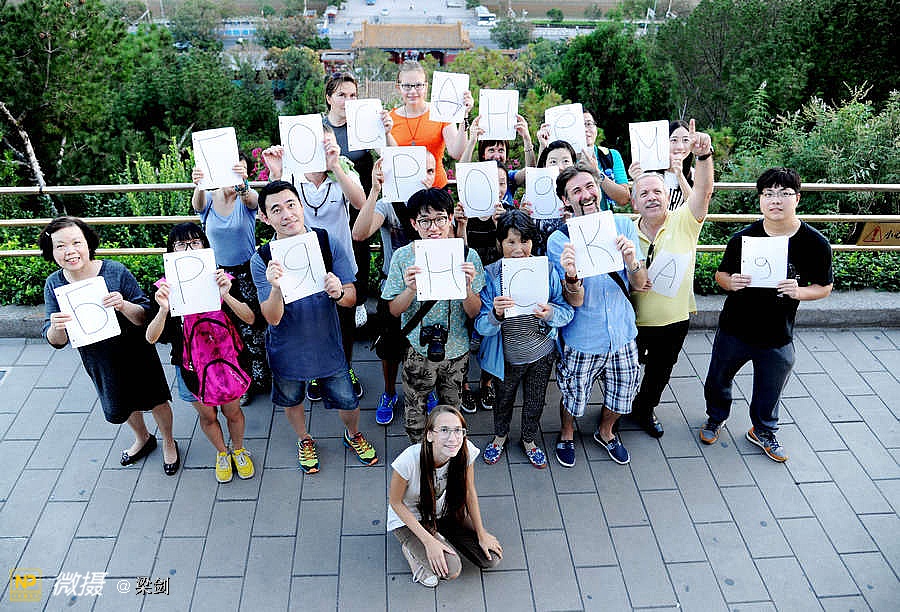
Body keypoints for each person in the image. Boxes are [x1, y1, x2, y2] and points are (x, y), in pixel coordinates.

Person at [701, 168, 833, 462]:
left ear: (797, 199)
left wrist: (800, 292)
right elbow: (721, 275)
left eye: (784, 194)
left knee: (770, 388)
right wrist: (730, 282)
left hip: (778, 332)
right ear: (760, 199)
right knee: (718, 379)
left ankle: (762, 430)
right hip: (735, 327)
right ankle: (716, 417)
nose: (776, 200)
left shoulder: (815, 243)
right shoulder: (743, 238)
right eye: (769, 194)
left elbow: (824, 287)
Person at [251, 180, 378, 474]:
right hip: (286, 347)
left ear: (301, 205)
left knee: (348, 399)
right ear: (265, 218)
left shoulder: (325, 242)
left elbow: (352, 297)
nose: (287, 214)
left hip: (328, 342)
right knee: (291, 398)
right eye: (276, 210)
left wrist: (339, 292)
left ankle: (353, 434)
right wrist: (275, 288)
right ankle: (304, 439)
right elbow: (271, 317)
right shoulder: (262, 259)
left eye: (291, 205)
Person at [41, 217, 179, 474]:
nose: (70, 251)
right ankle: (143, 438)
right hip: (99, 358)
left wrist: (123, 305)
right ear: (51, 250)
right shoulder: (54, 284)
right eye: (60, 246)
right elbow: (56, 341)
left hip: (136, 351)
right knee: (122, 403)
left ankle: (169, 441)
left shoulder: (115, 271)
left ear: (88, 243)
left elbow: (144, 316)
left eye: (76, 243)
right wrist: (56, 327)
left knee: (156, 399)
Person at [548, 163, 647, 467]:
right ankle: (566, 433)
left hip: (622, 333)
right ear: (566, 200)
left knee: (623, 391)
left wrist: (631, 260)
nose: (586, 194)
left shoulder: (623, 226)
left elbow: (639, 284)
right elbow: (574, 301)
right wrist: (571, 276)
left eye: (590, 186)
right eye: (576, 191)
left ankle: (606, 432)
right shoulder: (559, 240)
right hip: (583, 337)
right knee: (573, 393)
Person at [146, 223, 257, 483]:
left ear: (205, 246)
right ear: (171, 251)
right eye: (180, 245)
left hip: (228, 364)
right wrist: (163, 309)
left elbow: (250, 318)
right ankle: (222, 453)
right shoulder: (164, 289)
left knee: (233, 412)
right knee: (207, 416)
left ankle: (238, 450)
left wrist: (226, 296)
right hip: (190, 368)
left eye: (195, 242)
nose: (189, 249)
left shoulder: (222, 279)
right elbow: (151, 337)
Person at [262, 130, 367, 401]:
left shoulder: (343, 170)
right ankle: (316, 374)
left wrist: (335, 166)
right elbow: (275, 205)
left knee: (343, 320)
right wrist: (277, 171)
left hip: (337, 255)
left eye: (324, 142)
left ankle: (345, 367)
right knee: (311, 319)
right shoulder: (293, 175)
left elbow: (360, 203)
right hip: (301, 263)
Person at [630, 120, 714, 438]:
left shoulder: (685, 222)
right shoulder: (625, 231)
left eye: (657, 192)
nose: (651, 198)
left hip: (673, 320)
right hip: (633, 320)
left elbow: (703, 192)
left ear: (668, 196)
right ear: (634, 202)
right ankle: (617, 407)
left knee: (660, 371)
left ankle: (645, 409)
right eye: (644, 193)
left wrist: (703, 156)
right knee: (623, 370)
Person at [381, 188, 486, 442]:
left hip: (457, 349)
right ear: (414, 223)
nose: (434, 227)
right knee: (415, 407)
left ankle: (448, 449)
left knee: (452, 410)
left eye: (440, 218)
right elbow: (393, 310)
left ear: (450, 218)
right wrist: (410, 289)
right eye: (425, 221)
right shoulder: (403, 257)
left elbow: (474, 312)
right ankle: (419, 449)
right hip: (418, 349)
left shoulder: (467, 256)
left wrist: (467, 288)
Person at [476, 210, 574, 468]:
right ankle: (500, 437)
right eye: (510, 242)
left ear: (533, 241)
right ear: (500, 243)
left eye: (525, 241)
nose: (518, 249)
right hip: (506, 357)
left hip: (542, 353)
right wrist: (496, 314)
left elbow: (566, 311)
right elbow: (481, 326)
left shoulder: (546, 270)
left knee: (535, 400)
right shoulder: (490, 275)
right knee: (503, 400)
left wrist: (550, 313)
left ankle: (529, 439)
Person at [352, 153, 437, 426]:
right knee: (389, 348)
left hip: (432, 289)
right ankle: (389, 392)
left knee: (432, 342)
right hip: (393, 286)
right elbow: (359, 234)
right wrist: (375, 191)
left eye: (430, 171)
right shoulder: (388, 204)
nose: (424, 177)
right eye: (419, 170)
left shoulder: (437, 205)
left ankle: (429, 388)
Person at [387, 406, 502, 588]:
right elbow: (395, 503)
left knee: (491, 559)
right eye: (444, 430)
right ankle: (412, 550)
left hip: (444, 512)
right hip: (411, 519)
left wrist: (481, 533)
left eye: (458, 430)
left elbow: (469, 490)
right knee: (451, 569)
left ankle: (439, 533)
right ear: (429, 435)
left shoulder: (465, 451)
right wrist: (429, 542)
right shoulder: (408, 461)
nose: (453, 438)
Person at [191, 153, 268, 406]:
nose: (235, 176)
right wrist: (200, 183)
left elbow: (254, 200)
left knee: (253, 326)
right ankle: (239, 379)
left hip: (247, 271)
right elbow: (197, 205)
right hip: (218, 274)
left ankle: (261, 376)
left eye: (241, 171)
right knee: (227, 330)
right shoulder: (209, 198)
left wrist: (243, 184)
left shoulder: (246, 199)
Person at [323, 71, 397, 331]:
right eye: (341, 95)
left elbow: (392, 157)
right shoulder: (320, 128)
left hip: (360, 197)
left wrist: (386, 132)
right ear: (329, 98)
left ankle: (359, 299)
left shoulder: (365, 123)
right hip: (328, 202)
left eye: (353, 95)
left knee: (359, 246)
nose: (348, 101)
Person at [452, 160, 510, 414]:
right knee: (463, 334)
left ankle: (486, 382)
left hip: (496, 285)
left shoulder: (507, 214)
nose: (496, 188)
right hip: (469, 284)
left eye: (502, 183)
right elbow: (458, 252)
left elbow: (509, 253)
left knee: (492, 336)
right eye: (491, 182)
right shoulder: (463, 212)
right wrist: (462, 225)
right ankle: (464, 385)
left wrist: (500, 226)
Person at [389, 60, 473, 189]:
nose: (413, 91)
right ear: (398, 87)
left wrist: (464, 115)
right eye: (407, 86)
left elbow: (457, 153)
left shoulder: (440, 112)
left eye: (418, 85)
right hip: (403, 190)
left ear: (426, 87)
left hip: (437, 190)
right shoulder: (389, 119)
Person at [459, 113, 537, 205]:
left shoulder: (509, 178)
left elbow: (531, 172)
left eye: (501, 150)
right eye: (491, 150)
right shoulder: (475, 177)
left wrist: (527, 139)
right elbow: (461, 173)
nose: (496, 156)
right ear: (483, 154)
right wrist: (472, 141)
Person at [520, 140, 577, 256]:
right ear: (545, 165)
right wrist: (522, 217)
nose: (560, 167)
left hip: (566, 260)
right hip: (535, 260)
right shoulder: (532, 194)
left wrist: (570, 224)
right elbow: (520, 236)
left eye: (566, 161)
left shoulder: (579, 194)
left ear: (574, 164)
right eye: (553, 162)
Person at [629, 120, 695, 211]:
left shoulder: (694, 174)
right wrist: (638, 179)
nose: (680, 146)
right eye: (674, 140)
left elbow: (694, 207)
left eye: (686, 140)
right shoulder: (650, 172)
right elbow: (638, 210)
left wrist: (680, 175)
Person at [580, 108, 631, 209]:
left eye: (589, 124)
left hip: (604, 218)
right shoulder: (563, 159)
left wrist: (597, 173)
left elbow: (624, 198)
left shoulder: (611, 155)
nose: (585, 129)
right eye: (579, 126)